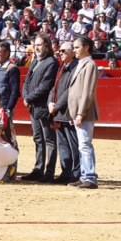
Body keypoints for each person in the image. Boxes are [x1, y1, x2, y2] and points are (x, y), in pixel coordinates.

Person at [22, 34, 59, 182]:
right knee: (38, 138)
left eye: (39, 45)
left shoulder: (51, 62)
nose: (36, 48)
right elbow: (27, 82)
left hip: (43, 106)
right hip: (34, 107)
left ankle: (49, 172)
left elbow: (46, 86)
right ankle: (38, 169)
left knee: (49, 139)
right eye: (35, 45)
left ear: (47, 46)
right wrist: (26, 96)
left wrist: (28, 98)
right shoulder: (36, 61)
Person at [68, 37, 99, 189]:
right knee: (82, 145)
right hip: (78, 112)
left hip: (84, 112)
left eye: (77, 47)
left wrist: (80, 113)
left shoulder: (90, 64)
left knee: (85, 144)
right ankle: (84, 175)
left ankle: (90, 177)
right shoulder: (81, 64)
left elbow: (87, 91)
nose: (74, 50)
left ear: (86, 47)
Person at [48, 42, 80, 184]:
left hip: (68, 112)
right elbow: (54, 88)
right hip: (59, 113)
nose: (60, 53)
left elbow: (70, 91)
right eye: (59, 51)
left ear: (72, 52)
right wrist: (50, 102)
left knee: (74, 145)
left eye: (63, 51)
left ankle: (76, 174)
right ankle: (66, 173)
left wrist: (56, 106)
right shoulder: (62, 67)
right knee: (63, 145)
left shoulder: (75, 68)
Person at [0, 41, 21, 115]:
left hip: (4, 108)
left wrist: (8, 109)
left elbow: (14, 92)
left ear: (7, 53)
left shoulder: (12, 69)